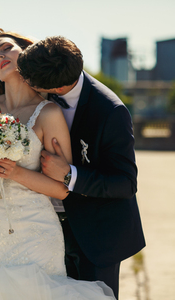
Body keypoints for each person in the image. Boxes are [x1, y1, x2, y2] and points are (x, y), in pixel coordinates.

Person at [0, 27, 115, 299]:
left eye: (5, 48)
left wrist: (14, 172)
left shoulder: (48, 113)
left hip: (35, 233)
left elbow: (62, 190)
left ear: (25, 53)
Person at [16, 36, 146, 299]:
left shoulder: (111, 111)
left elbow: (125, 183)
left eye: (31, 81)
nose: (26, 84)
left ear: (58, 86)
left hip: (97, 236)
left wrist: (68, 174)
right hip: (46, 229)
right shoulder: (43, 88)